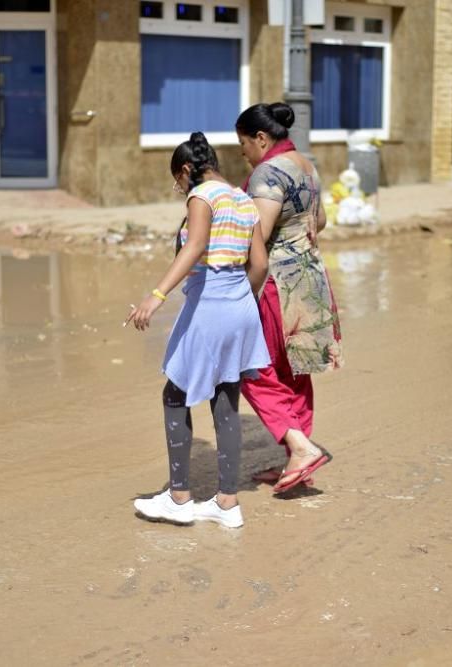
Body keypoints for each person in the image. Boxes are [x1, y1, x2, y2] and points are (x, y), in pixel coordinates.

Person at [128, 132, 270, 529]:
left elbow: (196, 246)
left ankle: (179, 497)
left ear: (188, 170)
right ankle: (226, 503)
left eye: (178, 179)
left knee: (175, 393)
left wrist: (155, 296)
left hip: (209, 306)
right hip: (241, 304)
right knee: (226, 398)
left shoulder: (202, 196)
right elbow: (259, 265)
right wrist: (241, 302)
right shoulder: (244, 199)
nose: (179, 188)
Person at [235, 102, 343, 494]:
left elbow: (257, 235)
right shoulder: (307, 166)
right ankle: (300, 457)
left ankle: (299, 447)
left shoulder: (267, 172)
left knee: (251, 366)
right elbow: (322, 222)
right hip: (312, 279)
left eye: (244, 143)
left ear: (261, 138)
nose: (242, 152)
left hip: (277, 285)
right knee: (293, 370)